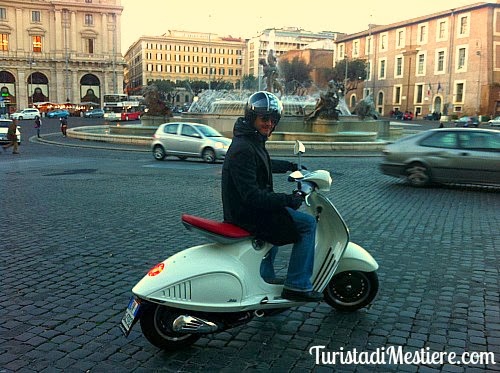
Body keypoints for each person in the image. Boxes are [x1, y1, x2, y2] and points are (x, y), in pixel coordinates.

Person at [221, 91, 322, 302]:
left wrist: (290, 166)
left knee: (277, 231)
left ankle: (264, 278)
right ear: (252, 118)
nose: (269, 124)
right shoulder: (244, 147)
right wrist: (289, 199)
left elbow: (262, 164)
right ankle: (297, 284)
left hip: (248, 210)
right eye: (264, 118)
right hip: (246, 214)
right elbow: (252, 196)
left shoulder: (250, 140)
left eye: (272, 120)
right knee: (308, 224)